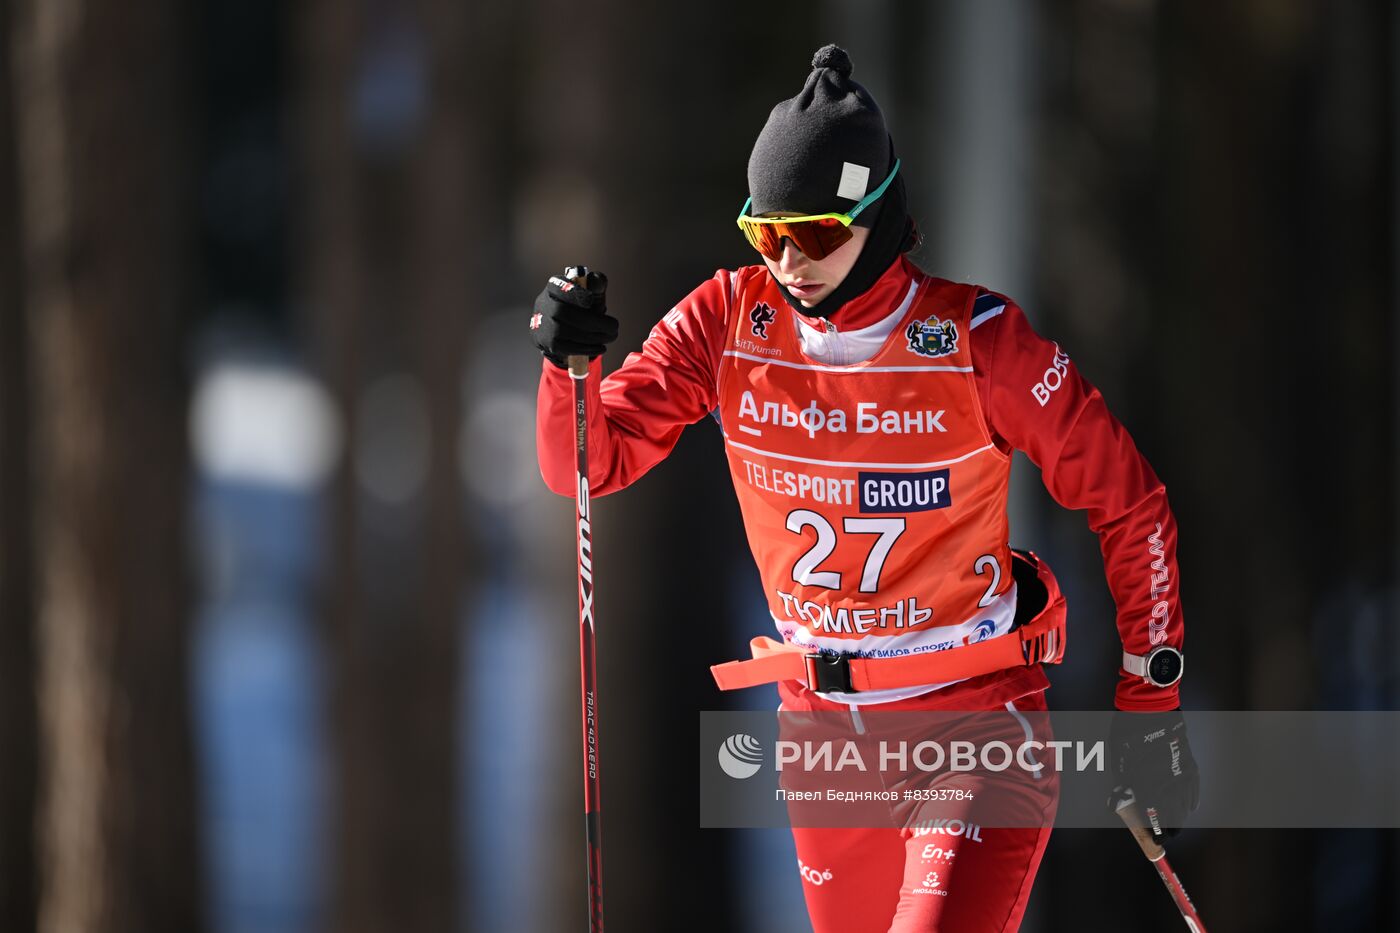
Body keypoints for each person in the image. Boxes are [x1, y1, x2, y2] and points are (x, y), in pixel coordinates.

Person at [531, 45, 1199, 932]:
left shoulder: (980, 343)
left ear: (876, 216)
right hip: (825, 742)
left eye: (813, 233)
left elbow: (1132, 504)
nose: (789, 262)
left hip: (974, 731)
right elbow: (589, 460)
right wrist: (567, 366)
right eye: (767, 235)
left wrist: (1149, 702)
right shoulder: (727, 320)